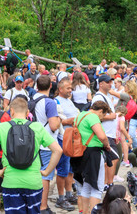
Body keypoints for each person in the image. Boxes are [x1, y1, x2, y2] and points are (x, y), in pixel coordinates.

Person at [0, 96, 64, 214]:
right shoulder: (37, 127)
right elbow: (58, 150)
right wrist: (46, 171)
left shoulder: (2, 127)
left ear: (11, 111)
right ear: (28, 112)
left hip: (11, 183)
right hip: (33, 183)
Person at [71, 101, 112, 214]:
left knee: (87, 186)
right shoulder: (93, 117)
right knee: (97, 188)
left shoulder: (79, 115)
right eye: (103, 115)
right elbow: (102, 136)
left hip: (81, 153)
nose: (102, 119)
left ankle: (85, 212)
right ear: (100, 111)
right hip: (93, 154)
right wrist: (107, 145)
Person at [31, 75, 64, 214]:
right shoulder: (50, 102)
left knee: (34, 173)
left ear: (36, 86)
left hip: (32, 142)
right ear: (51, 86)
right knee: (45, 175)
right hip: (46, 143)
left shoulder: (30, 99)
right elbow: (54, 125)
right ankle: (43, 207)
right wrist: (59, 118)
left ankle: (33, 204)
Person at [55, 79, 80, 209]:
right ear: (60, 89)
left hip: (72, 138)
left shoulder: (69, 101)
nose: (70, 90)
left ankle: (69, 194)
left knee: (70, 169)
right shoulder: (56, 102)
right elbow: (57, 121)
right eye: (68, 88)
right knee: (62, 169)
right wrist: (69, 121)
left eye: (71, 88)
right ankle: (60, 198)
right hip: (63, 138)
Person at [92, 74, 120, 184]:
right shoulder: (98, 97)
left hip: (110, 133)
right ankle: (108, 183)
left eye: (111, 82)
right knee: (114, 157)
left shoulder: (106, 96)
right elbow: (94, 116)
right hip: (104, 133)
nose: (110, 84)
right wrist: (111, 116)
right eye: (108, 82)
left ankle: (107, 183)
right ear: (101, 83)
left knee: (108, 159)